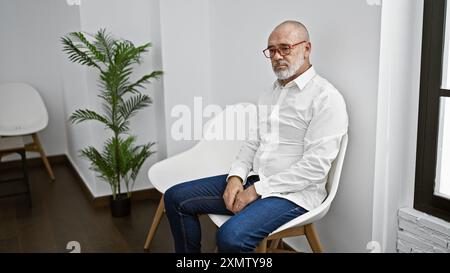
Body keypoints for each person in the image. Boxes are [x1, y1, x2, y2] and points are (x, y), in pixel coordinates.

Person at [164, 20, 348, 253]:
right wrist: (236, 177)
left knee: (230, 237)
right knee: (175, 198)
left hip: (296, 195)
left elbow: (315, 168)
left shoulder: (326, 98)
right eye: (272, 50)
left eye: (285, 48)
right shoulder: (271, 92)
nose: (277, 56)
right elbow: (253, 143)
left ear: (307, 48)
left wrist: (257, 190)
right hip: (258, 178)